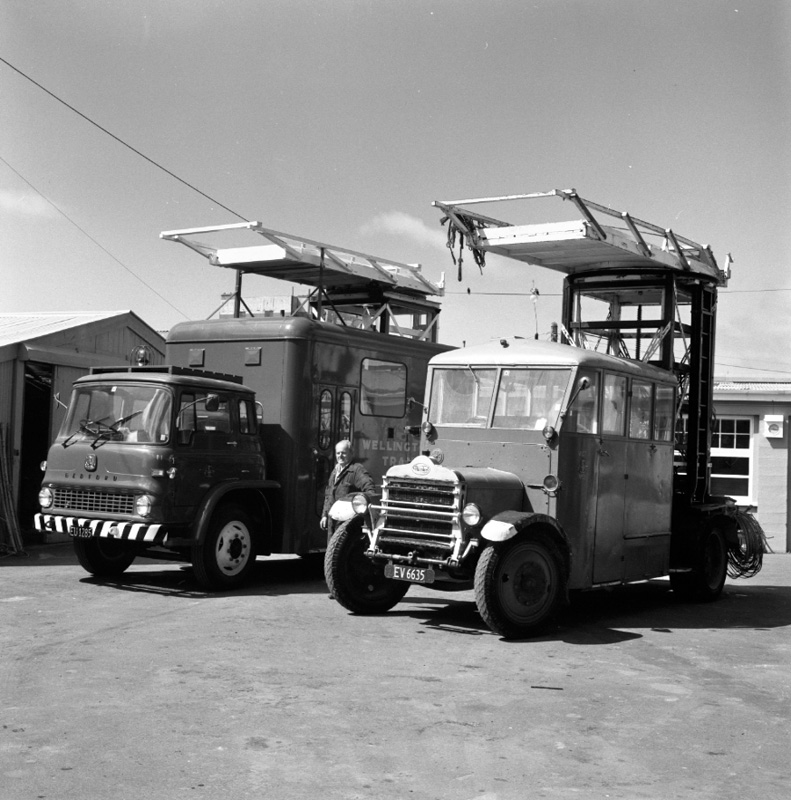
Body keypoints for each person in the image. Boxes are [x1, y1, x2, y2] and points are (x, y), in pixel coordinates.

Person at [320, 439, 374, 535]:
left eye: (343, 453)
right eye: (338, 453)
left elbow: (370, 490)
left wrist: (359, 511)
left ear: (351, 453)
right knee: (331, 549)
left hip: (347, 524)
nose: (340, 456)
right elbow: (328, 495)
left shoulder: (357, 470)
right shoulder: (335, 472)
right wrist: (324, 515)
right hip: (332, 521)